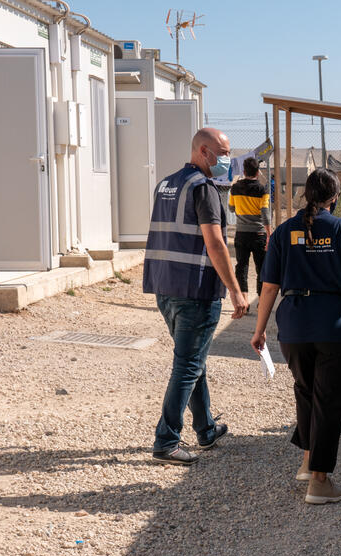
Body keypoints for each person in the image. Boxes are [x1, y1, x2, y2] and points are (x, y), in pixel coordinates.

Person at [250, 168, 341, 505]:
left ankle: (308, 462)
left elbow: (269, 287)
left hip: (292, 328)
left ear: (305, 195)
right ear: (334, 198)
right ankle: (319, 482)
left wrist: (260, 329)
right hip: (334, 328)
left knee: (307, 393)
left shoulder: (282, 233)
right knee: (330, 401)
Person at [143, 127, 248, 466]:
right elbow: (215, 243)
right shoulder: (204, 189)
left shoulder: (166, 184)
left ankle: (205, 429)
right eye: (223, 152)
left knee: (194, 360)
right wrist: (235, 289)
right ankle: (166, 440)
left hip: (165, 286)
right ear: (204, 152)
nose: (227, 160)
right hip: (195, 290)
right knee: (188, 364)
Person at [229, 156, 271, 311]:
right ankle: (261, 302)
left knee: (242, 266)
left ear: (244, 171)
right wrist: (269, 233)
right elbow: (265, 212)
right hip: (259, 234)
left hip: (241, 233)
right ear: (258, 172)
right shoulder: (262, 189)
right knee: (261, 268)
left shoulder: (235, 188)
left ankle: (245, 302)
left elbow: (231, 208)